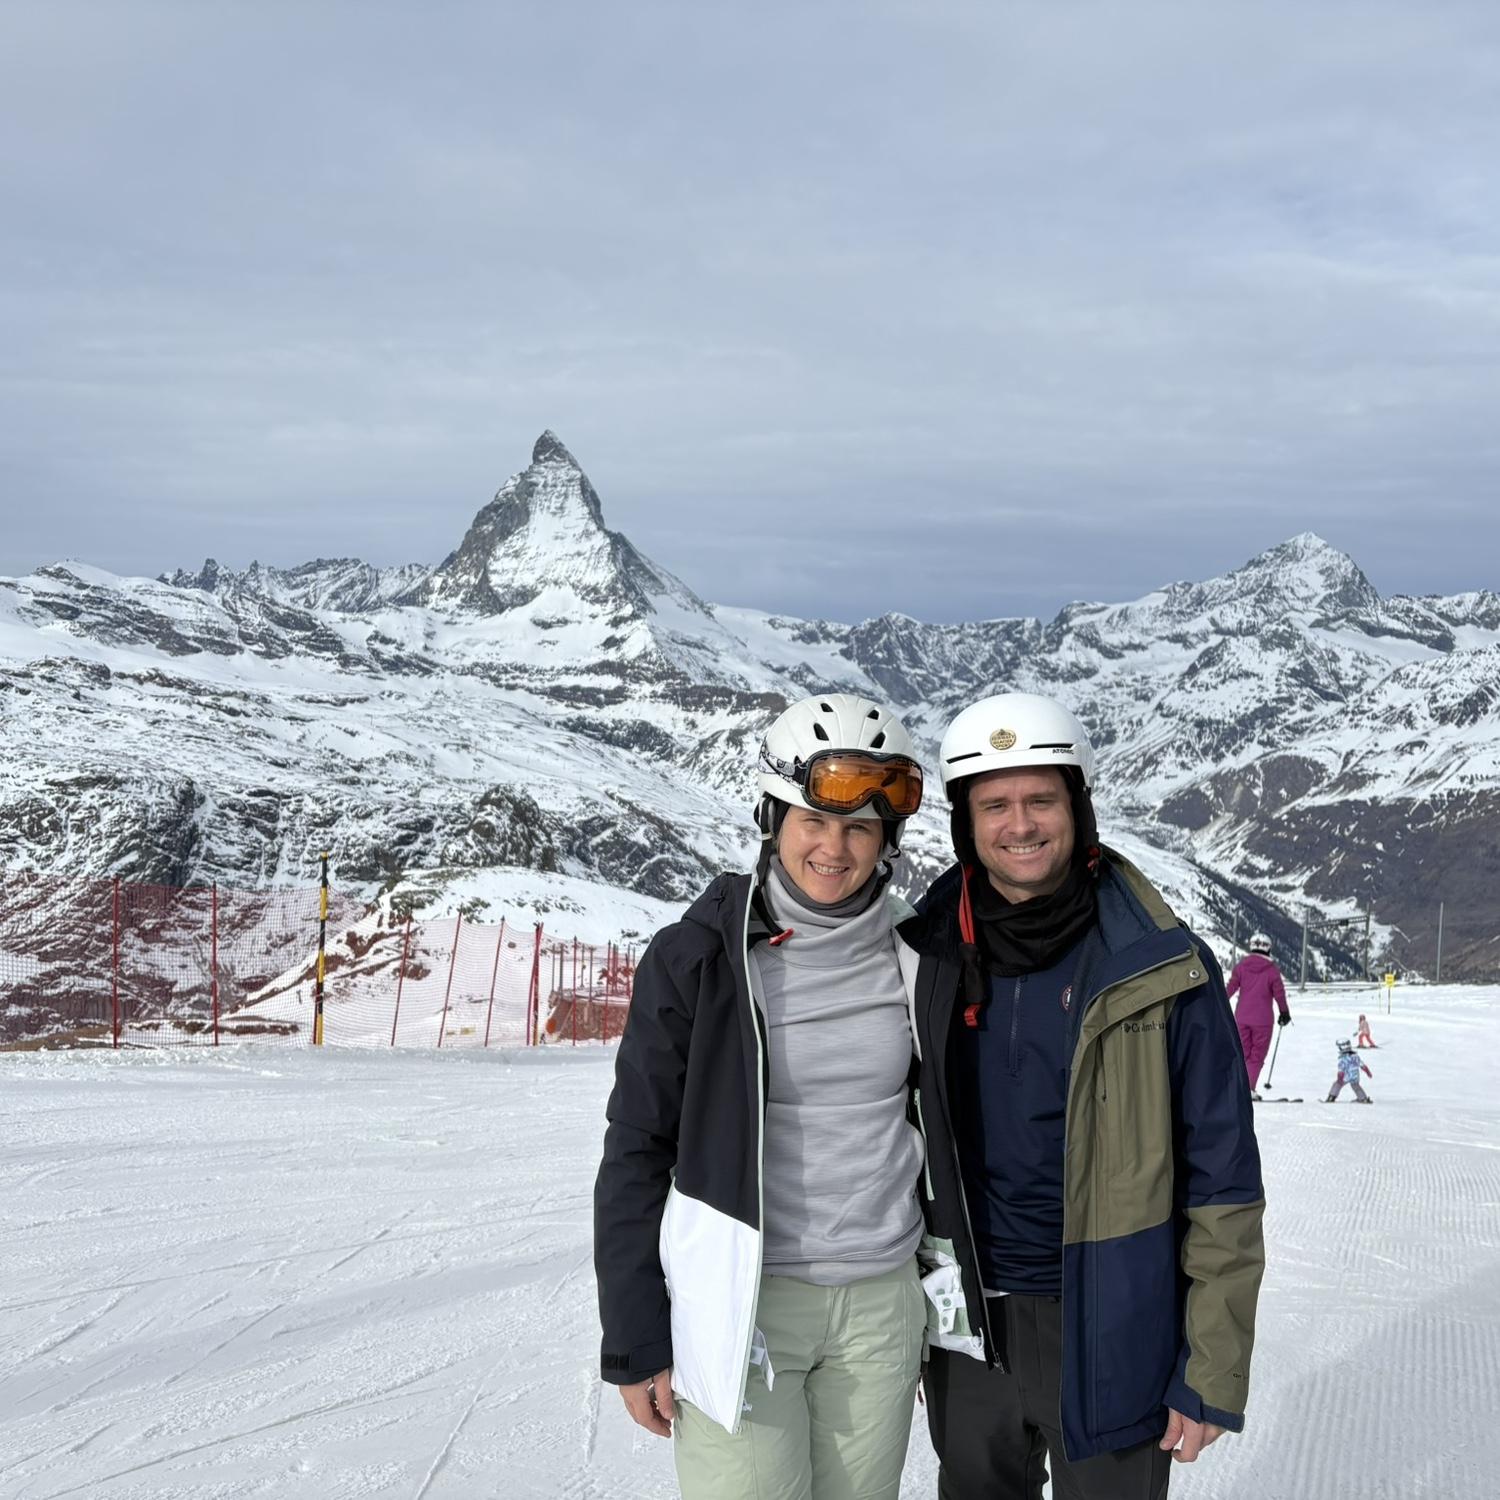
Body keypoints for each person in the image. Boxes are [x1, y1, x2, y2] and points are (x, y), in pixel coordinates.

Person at [899, 692, 1265, 1499]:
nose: (1020, 825)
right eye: (995, 805)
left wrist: (1211, 1364)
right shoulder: (921, 953)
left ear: (1078, 807)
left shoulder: (1160, 965)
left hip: (1113, 1322)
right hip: (967, 1326)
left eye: (1041, 800)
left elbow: (1225, 1181)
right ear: (965, 822)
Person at [594, 693, 930, 1500]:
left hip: (882, 1303)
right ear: (772, 817)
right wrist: (635, 1335)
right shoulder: (700, 959)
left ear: (886, 840)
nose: (834, 848)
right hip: (742, 1302)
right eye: (814, 821)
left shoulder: (924, 954)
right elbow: (637, 1146)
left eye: (861, 828)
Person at [1227, 933, 1291, 1099]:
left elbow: (1230, 988)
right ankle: (1248, 1089)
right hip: (1263, 1020)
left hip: (1241, 1017)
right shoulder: (1272, 970)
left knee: (1241, 1053)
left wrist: (1218, 1003)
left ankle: (1237, 1088)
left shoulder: (1241, 967)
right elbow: (1279, 993)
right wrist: (1284, 1012)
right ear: (1268, 948)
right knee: (1256, 1056)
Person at [1325, 1038, 1374, 1103]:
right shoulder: (1355, 1056)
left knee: (1337, 1084)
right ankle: (1363, 1098)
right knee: (1356, 1086)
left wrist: (1340, 1079)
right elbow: (1362, 1065)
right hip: (1355, 1075)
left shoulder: (1343, 1058)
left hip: (1346, 1075)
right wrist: (1368, 1072)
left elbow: (1341, 1070)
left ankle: (1331, 1097)